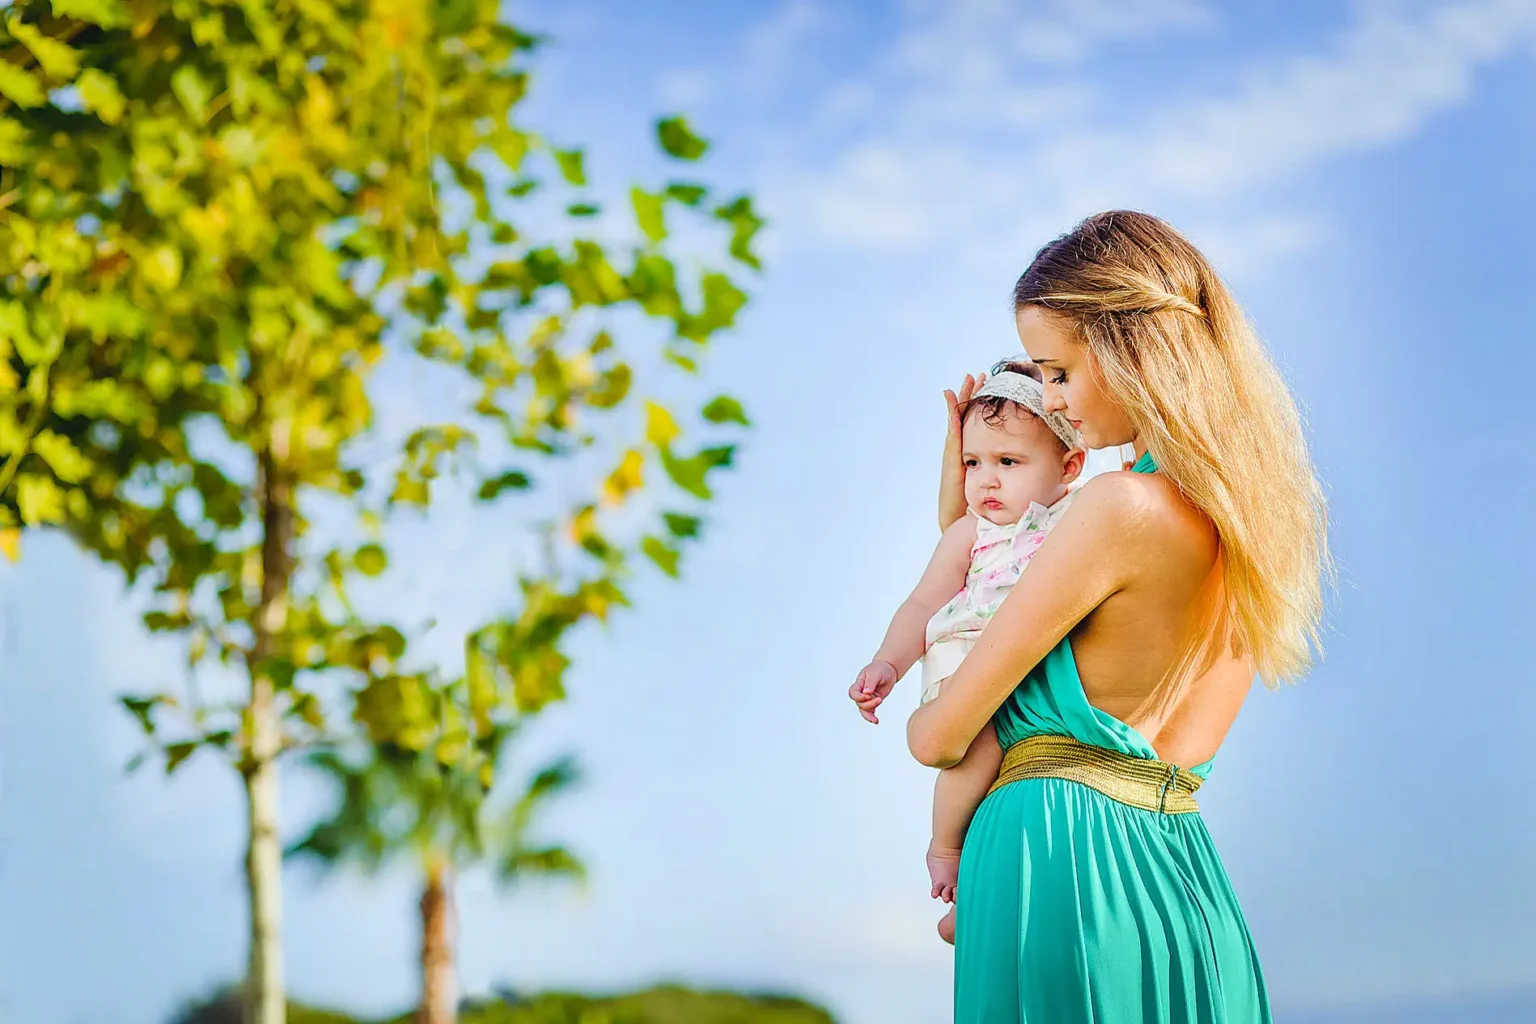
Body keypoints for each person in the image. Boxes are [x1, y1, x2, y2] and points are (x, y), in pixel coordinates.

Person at [904, 210, 1332, 1022]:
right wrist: (965, 502)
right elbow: (1015, 584)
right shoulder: (1256, 530)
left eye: (1058, 371)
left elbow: (942, 734)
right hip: (1184, 876)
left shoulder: (1115, 509)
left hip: (1058, 860)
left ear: (1129, 352)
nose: (1056, 402)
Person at [849, 360, 1086, 944]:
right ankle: (946, 854)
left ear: (1069, 467)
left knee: (1018, 775)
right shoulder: (970, 533)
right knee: (977, 754)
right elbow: (921, 604)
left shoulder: (1077, 519)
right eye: (973, 463)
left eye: (1008, 462)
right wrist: (888, 663)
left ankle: (980, 892)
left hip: (1029, 672)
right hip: (964, 664)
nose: (986, 480)